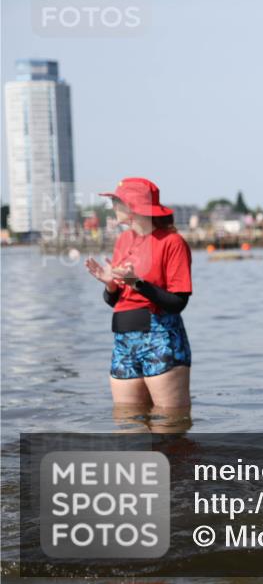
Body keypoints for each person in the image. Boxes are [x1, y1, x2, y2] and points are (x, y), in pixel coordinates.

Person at [84, 178, 193, 427]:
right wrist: (109, 284)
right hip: (123, 341)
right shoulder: (124, 241)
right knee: (127, 427)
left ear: (133, 205)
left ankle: (180, 467)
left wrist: (138, 283)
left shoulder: (172, 243)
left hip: (161, 339)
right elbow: (117, 301)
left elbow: (178, 303)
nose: (112, 206)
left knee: (170, 425)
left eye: (115, 200)